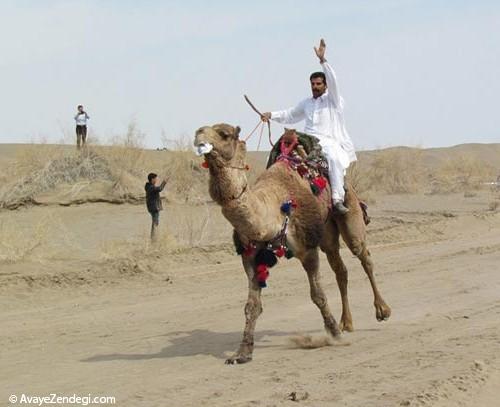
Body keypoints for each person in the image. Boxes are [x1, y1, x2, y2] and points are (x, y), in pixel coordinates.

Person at [262, 39, 356, 214]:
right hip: (308, 140)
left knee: (333, 158)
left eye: (319, 84)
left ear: (325, 85)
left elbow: (334, 81)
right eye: (312, 84)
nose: (315, 87)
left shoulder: (333, 101)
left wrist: (323, 60)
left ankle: (337, 198)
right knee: (279, 155)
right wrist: (271, 115)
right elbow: (290, 115)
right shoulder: (306, 103)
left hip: (329, 142)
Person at [145, 173, 168, 240]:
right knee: (155, 223)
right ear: (152, 179)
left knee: (155, 223)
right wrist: (164, 182)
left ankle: (154, 238)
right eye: (155, 178)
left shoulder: (149, 186)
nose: (156, 180)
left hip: (152, 208)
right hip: (154, 208)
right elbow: (160, 188)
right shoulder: (151, 187)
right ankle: (153, 239)